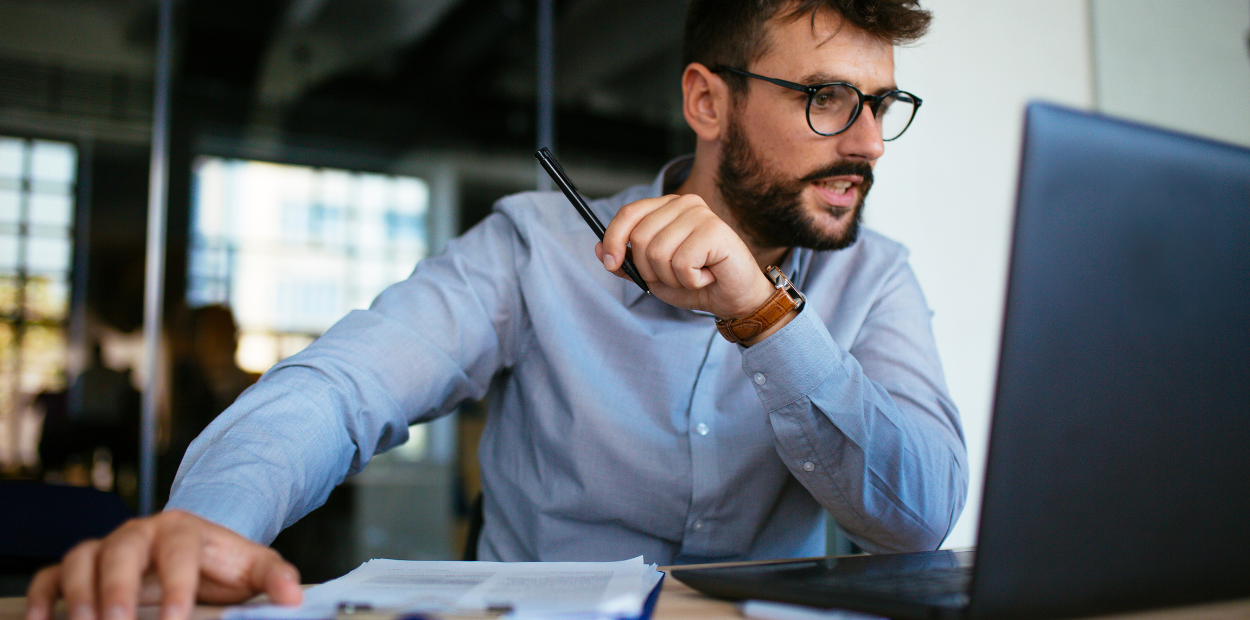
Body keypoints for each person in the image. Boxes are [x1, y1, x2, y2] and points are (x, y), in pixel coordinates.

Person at [26, 1, 967, 619]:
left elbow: (917, 518)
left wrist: (765, 316)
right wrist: (209, 522)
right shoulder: (534, 247)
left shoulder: (876, 279)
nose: (873, 144)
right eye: (829, 100)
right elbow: (341, 389)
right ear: (705, 101)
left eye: (884, 104)